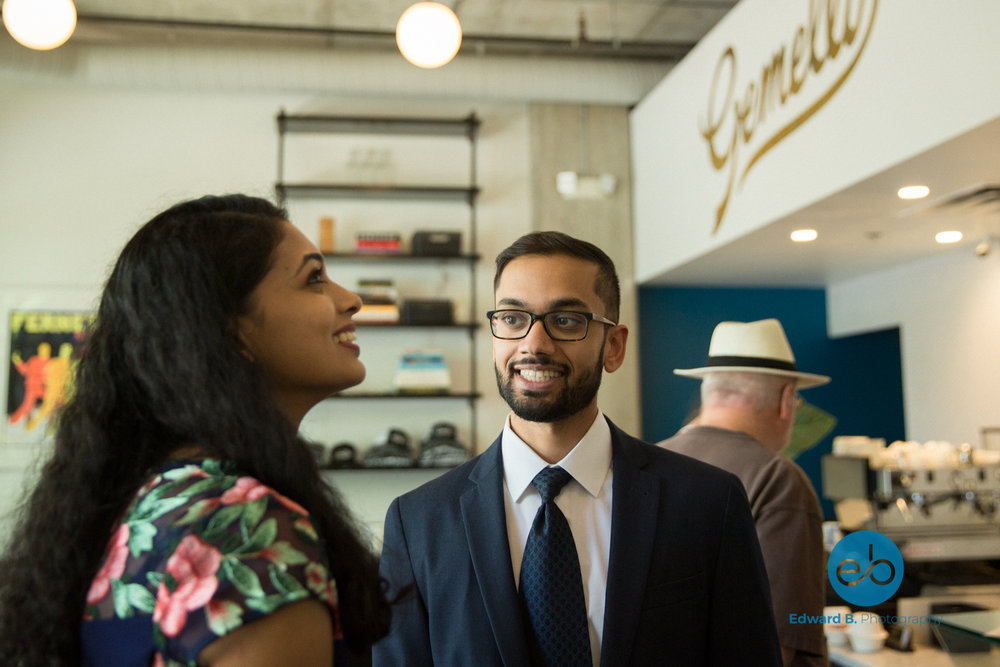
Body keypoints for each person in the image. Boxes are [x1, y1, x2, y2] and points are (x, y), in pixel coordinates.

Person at [0, 194, 391, 666]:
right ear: (231, 330)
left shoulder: (145, 495)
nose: (351, 300)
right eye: (314, 279)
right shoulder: (242, 526)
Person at [373, 231, 781, 666]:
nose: (534, 344)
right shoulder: (418, 522)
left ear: (615, 346)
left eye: (566, 320)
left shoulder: (706, 502)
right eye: (513, 318)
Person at [658, 318, 830, 667]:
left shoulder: (644, 466)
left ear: (709, 392)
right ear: (785, 401)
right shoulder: (778, 480)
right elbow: (777, 642)